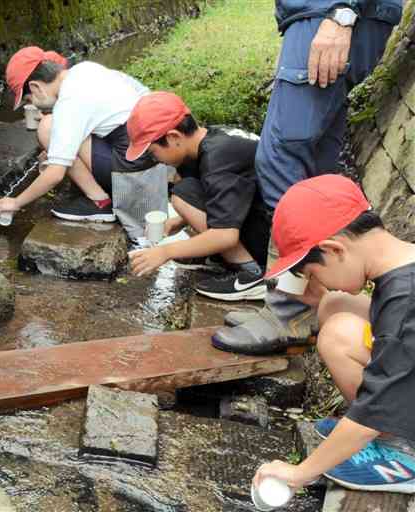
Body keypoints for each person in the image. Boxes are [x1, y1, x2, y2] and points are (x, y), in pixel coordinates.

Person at [212, 0, 402, 352]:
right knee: (312, 166)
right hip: (339, 13)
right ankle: (299, 305)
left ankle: (289, 311)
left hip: (327, 11)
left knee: (281, 161)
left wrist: (341, 14)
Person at [253, 174, 415, 493]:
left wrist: (302, 471)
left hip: (395, 404)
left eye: (312, 271)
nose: (315, 278)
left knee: (337, 334)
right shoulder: (401, 266)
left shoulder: (406, 298)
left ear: (333, 249)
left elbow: (378, 405)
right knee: (336, 304)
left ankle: (405, 456)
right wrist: (323, 298)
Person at [126, 92, 271, 301]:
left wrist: (165, 252)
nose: (155, 160)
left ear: (174, 137)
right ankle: (219, 255)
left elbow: (225, 235)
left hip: (272, 233)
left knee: (182, 193)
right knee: (187, 188)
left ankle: (252, 274)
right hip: (260, 213)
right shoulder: (212, 139)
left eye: (152, 152)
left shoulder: (219, 159)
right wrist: (179, 221)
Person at [0, 46, 157, 223]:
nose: (34, 105)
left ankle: (100, 202)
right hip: (151, 159)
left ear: (36, 87)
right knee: (55, 125)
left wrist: (16, 202)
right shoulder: (84, 69)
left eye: (28, 99)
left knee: (48, 127)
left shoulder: (69, 102)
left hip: (133, 179)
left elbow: (55, 173)